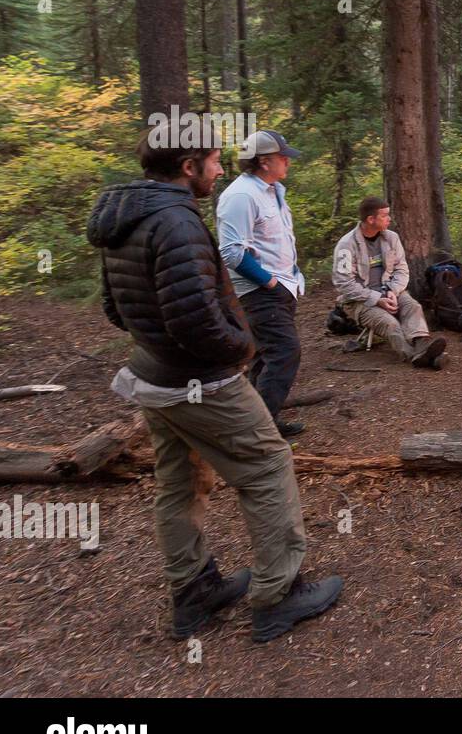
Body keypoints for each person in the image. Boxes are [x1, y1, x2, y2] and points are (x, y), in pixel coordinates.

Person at [86, 126, 342, 644]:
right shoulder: (175, 222)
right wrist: (241, 349)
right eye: (214, 161)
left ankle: (194, 591)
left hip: (150, 375)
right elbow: (196, 321)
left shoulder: (125, 216)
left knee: (180, 481)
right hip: (198, 380)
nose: (221, 169)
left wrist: (157, 343)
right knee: (269, 465)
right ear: (188, 165)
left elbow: (116, 308)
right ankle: (278, 594)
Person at [216, 129, 307, 437]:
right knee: (284, 352)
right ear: (265, 162)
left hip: (281, 288)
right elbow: (231, 251)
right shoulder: (241, 195)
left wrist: (292, 279)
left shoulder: (271, 191)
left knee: (263, 357)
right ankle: (260, 430)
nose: (288, 164)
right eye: (283, 158)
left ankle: (258, 420)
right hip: (259, 293)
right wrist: (269, 283)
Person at [332, 196, 447, 368]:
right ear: (371, 219)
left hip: (391, 292)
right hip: (361, 301)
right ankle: (415, 355)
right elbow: (343, 283)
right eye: (385, 215)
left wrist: (393, 290)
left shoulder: (391, 238)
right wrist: (377, 299)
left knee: (413, 306)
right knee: (390, 324)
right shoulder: (346, 245)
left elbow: (402, 269)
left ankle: (423, 344)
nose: (389, 219)